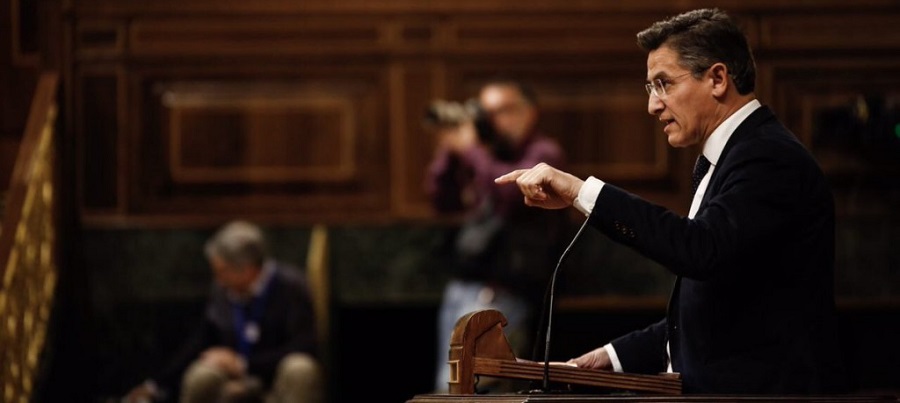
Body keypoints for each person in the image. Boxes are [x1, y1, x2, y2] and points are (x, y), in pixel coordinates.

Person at [495, 8, 850, 394]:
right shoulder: (736, 154)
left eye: (663, 84)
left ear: (717, 78)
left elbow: (700, 249)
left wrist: (581, 192)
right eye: (650, 88)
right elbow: (720, 308)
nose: (653, 105)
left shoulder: (768, 157)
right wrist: (613, 356)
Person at [425, 78, 568, 393]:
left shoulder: (543, 153)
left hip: (504, 289)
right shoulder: (485, 156)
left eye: (502, 111)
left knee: (475, 387)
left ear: (529, 113)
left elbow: (510, 196)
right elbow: (440, 199)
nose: (492, 121)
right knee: (447, 384)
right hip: (463, 285)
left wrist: (473, 150)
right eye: (486, 113)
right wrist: (451, 152)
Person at [125, 220, 323, 403]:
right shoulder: (222, 290)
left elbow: (304, 346)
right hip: (229, 378)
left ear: (248, 269)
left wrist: (244, 364)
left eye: (222, 271)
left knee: (301, 369)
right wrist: (155, 385)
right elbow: (200, 340)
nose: (218, 279)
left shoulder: (291, 287)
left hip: (276, 375)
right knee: (200, 375)